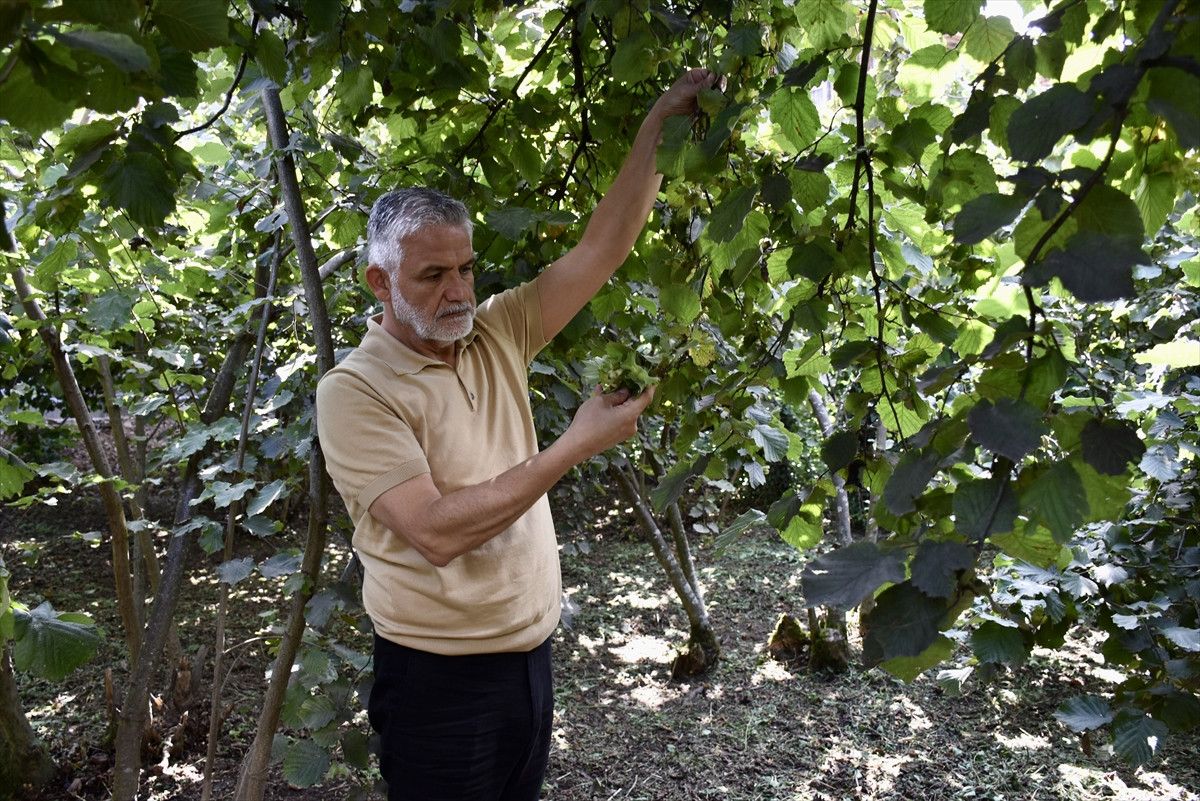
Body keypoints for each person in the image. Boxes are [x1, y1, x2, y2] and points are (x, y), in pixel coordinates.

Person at [315, 68, 717, 801]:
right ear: (381, 283)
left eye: (466, 268)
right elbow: (434, 531)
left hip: (530, 660)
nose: (460, 291)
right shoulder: (355, 390)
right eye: (433, 274)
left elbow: (601, 249)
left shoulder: (495, 330)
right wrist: (573, 444)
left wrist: (661, 120)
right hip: (437, 681)